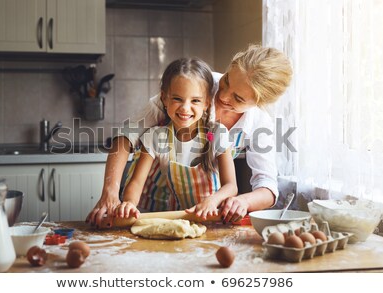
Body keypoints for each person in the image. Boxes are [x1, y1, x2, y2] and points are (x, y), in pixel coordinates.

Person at [86, 43, 293, 228]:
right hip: (153, 206)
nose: (222, 95)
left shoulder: (259, 124)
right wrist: (110, 192)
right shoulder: (195, 83)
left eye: (237, 98)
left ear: (257, 104)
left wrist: (243, 201)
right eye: (227, 81)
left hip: (200, 213)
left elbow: (267, 186)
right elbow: (126, 136)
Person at [114, 58, 238, 221]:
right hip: (177, 218)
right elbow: (137, 183)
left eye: (195, 100)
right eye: (177, 99)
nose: (185, 108)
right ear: (164, 98)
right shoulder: (155, 137)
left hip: (211, 218)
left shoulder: (218, 134)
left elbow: (231, 186)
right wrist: (129, 203)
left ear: (206, 103)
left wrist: (212, 201)